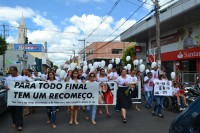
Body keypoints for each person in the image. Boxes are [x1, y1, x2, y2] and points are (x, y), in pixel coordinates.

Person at [4, 66, 26, 131]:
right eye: (10, 71)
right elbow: (5, 86)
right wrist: (6, 88)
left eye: (12, 71)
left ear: (16, 71)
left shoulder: (21, 78)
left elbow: (26, 86)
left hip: (19, 98)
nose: (11, 72)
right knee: (12, 111)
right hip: (11, 98)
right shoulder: (8, 78)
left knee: (19, 111)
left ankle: (20, 125)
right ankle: (14, 122)